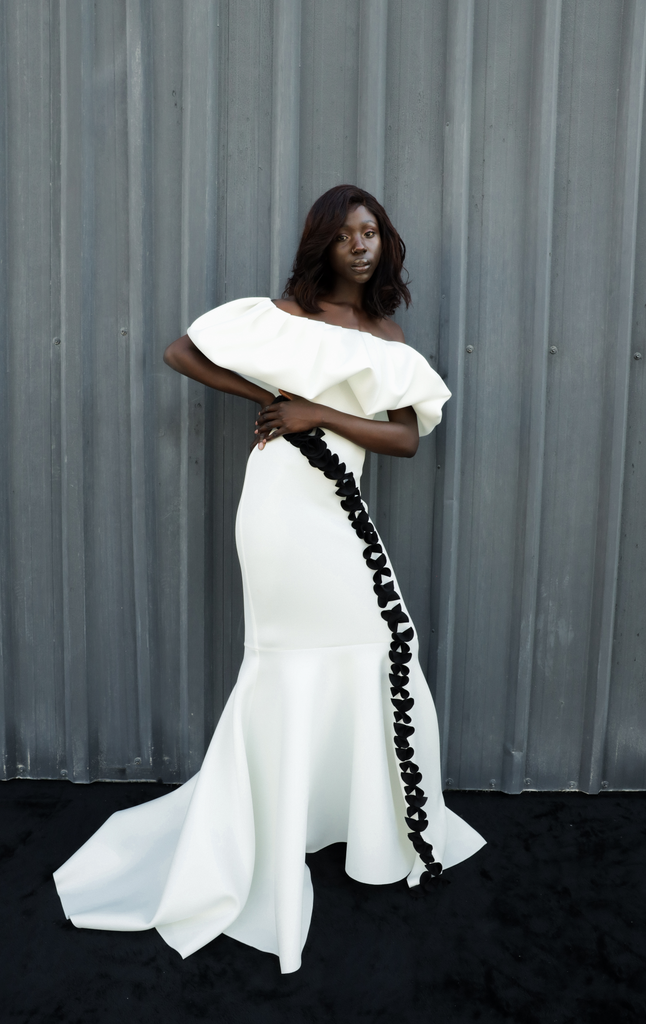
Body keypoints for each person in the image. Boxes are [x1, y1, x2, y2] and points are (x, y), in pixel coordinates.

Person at [53, 185, 485, 974]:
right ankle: (269, 835)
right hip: (281, 514)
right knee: (290, 667)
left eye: (372, 232)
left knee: (379, 647)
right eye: (346, 234)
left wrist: (316, 413)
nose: (361, 245)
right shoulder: (280, 317)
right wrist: (270, 399)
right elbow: (180, 352)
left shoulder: (389, 338)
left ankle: (360, 827)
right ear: (322, 244)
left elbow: (404, 440)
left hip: (341, 510)